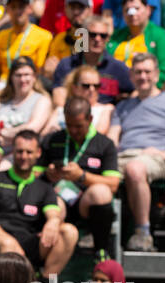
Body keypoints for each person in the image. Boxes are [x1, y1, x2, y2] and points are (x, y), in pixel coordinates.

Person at [110, 53, 165, 251]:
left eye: (147, 72)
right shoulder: (122, 107)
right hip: (123, 156)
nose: (143, 77)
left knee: (135, 169)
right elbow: (113, 138)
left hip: (156, 159)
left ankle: (143, 232)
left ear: (157, 75)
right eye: (138, 72)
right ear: (131, 76)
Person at [0, 129, 79, 277]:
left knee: (69, 232)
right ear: (12, 151)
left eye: (29, 152)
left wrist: (53, 221)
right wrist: (11, 241)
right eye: (19, 151)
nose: (23, 156)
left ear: (38, 153)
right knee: (7, 244)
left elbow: (53, 213)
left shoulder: (44, 187)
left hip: (30, 240)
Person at [41, 95, 122, 253]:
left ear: (90, 119)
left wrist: (82, 176)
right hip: (58, 200)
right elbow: (35, 173)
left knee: (101, 192)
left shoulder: (104, 144)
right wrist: (48, 174)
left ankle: (101, 251)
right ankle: (44, 260)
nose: (73, 130)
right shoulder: (53, 140)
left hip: (86, 203)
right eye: (69, 125)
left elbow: (113, 184)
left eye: (78, 126)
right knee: (53, 203)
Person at [50, 14, 135, 104]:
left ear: (108, 39)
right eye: (92, 35)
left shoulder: (118, 68)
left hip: (105, 115)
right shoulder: (67, 64)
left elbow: (136, 90)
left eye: (103, 36)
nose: (97, 39)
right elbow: (58, 95)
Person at [0, 56, 53, 150]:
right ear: (11, 77)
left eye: (26, 75)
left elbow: (31, 130)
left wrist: (2, 133)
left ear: (34, 77)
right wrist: (16, 133)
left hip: (22, 156)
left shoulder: (42, 100)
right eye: (18, 75)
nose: (22, 80)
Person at [108, 1, 165, 85]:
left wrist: (140, 92)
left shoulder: (160, 36)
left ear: (148, 10)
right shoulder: (115, 36)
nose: (131, 13)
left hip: (146, 91)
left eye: (136, 9)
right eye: (127, 10)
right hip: (113, 90)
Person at [0, 0, 54, 88]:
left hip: (30, 84)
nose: (17, 11)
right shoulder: (0, 37)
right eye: (13, 7)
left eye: (21, 7)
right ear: (8, 10)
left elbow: (40, 71)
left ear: (30, 8)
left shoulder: (44, 36)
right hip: (4, 85)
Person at [43, 65, 116, 136]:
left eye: (96, 86)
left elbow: (99, 133)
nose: (92, 89)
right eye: (86, 86)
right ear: (74, 88)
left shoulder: (107, 109)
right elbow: (46, 133)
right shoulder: (60, 110)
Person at [44, 0, 93, 81]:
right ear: (65, 9)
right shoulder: (59, 38)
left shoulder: (98, 37)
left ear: (90, 10)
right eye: (72, 7)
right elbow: (51, 68)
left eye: (80, 8)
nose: (76, 12)